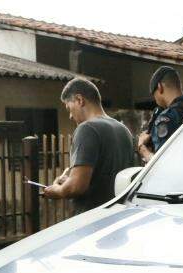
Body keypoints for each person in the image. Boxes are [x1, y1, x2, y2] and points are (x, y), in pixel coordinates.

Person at [43, 77, 133, 214]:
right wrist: (70, 180)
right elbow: (105, 175)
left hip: (92, 219)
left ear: (79, 100)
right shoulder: (123, 129)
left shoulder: (87, 128)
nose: (70, 116)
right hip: (119, 214)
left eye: (69, 108)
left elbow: (76, 187)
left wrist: (58, 190)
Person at [137, 66, 183, 163]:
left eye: (154, 94)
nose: (155, 99)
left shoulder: (166, 118)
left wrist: (143, 149)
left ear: (159, 87)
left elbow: (161, 164)